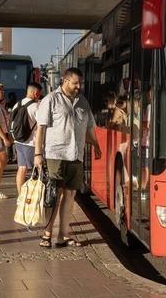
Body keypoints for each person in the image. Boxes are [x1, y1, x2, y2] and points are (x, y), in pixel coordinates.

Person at [34, 68, 102, 248]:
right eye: (75, 83)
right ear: (64, 81)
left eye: (80, 83)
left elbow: (88, 129)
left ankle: (63, 235)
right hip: (55, 154)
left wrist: (96, 145)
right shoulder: (51, 100)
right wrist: (38, 154)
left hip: (76, 155)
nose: (79, 87)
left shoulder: (83, 102)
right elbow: (40, 129)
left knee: (70, 194)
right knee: (54, 195)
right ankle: (47, 234)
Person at [14, 82, 42, 192]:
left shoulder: (18, 104)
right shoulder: (35, 107)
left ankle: (21, 195)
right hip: (31, 143)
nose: (39, 96)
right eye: (39, 94)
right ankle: (36, 196)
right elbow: (42, 125)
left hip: (18, 141)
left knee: (22, 168)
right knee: (37, 170)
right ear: (35, 93)